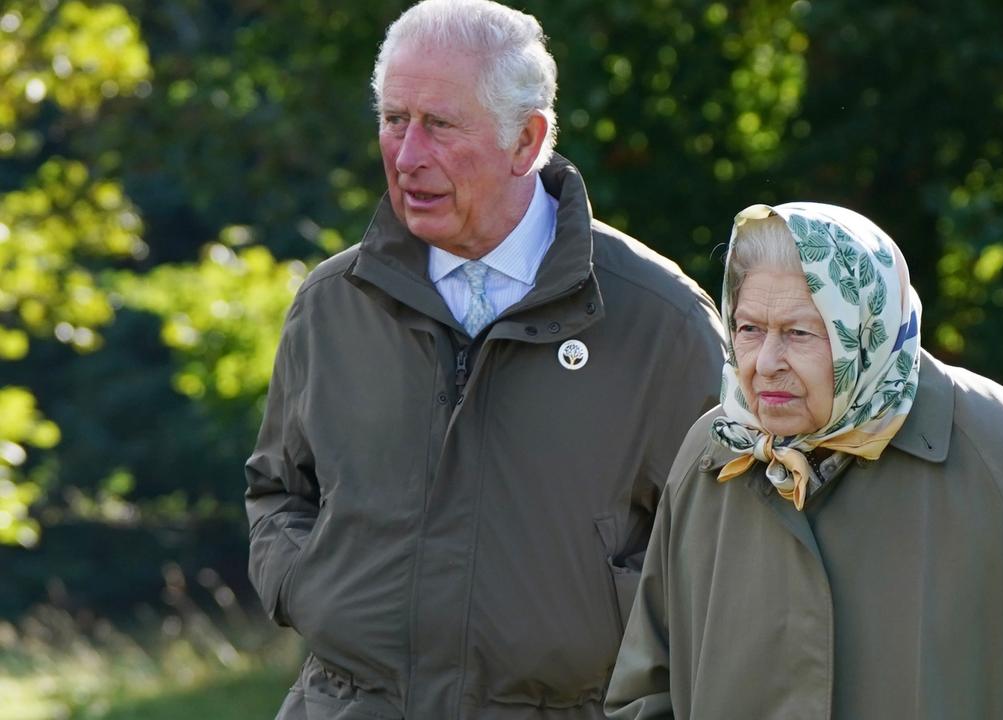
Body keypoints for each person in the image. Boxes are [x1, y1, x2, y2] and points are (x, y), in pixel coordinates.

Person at [244, 1, 725, 718]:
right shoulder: (331, 304)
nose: (407, 156)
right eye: (393, 119)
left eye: (439, 124)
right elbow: (278, 489)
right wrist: (307, 589)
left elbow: (724, 546)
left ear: (525, 141)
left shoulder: (662, 323)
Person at [604, 203, 1003, 719]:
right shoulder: (713, 452)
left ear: (865, 331)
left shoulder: (1002, 449)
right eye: (749, 329)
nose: (766, 363)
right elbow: (644, 692)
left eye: (799, 332)